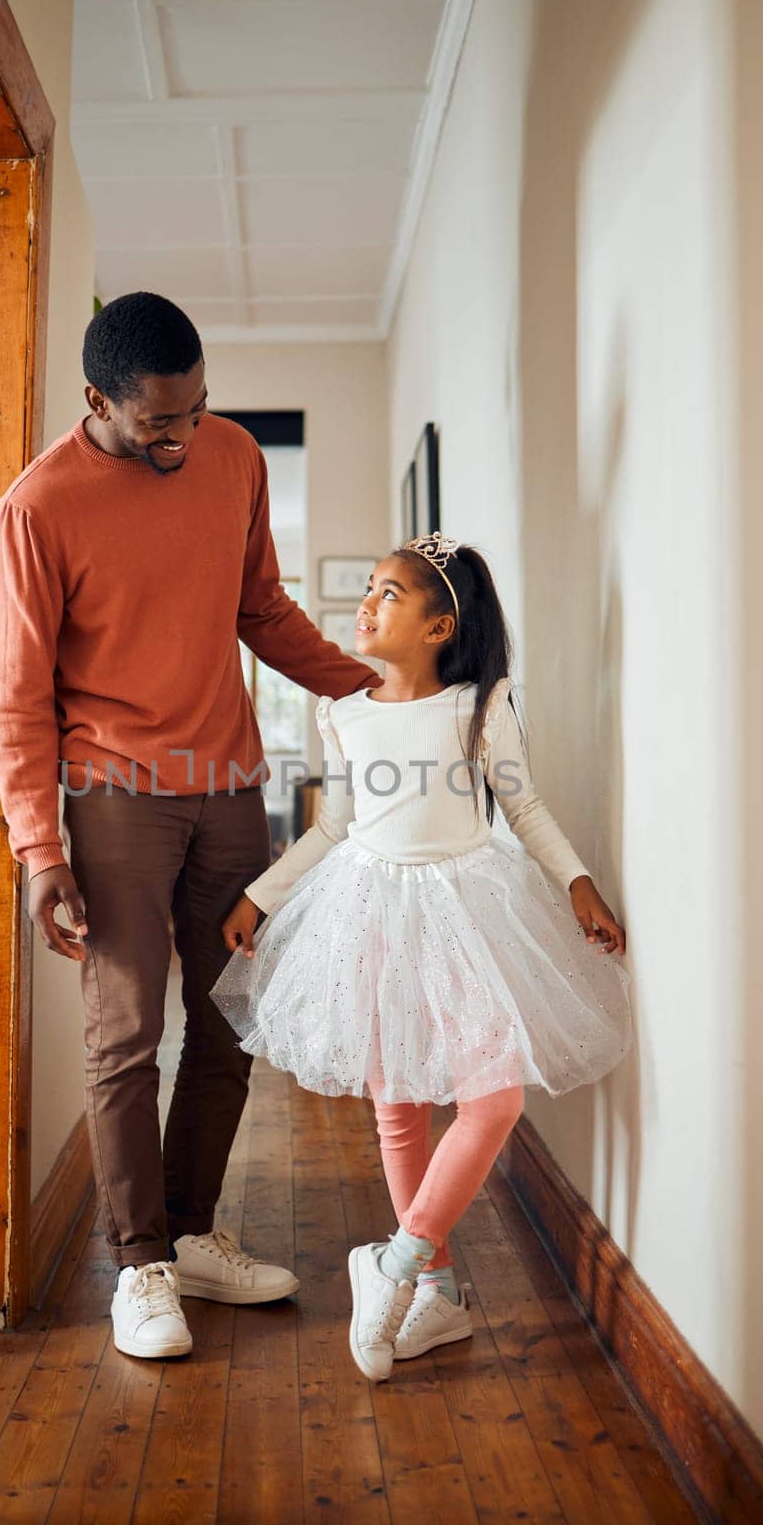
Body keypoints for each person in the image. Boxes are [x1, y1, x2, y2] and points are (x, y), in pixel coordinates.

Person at [0, 293, 379, 1360]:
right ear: (98, 403)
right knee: (125, 1034)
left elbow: (261, 606)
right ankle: (140, 1265)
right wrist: (38, 847)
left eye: (198, 410)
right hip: (113, 792)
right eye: (161, 422)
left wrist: (368, 689)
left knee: (230, 1018)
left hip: (230, 785)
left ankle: (194, 1231)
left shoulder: (232, 455)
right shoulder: (37, 509)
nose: (184, 435)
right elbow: (16, 698)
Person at [211, 532, 633, 1381]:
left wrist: (578, 880)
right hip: (369, 912)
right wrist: (264, 893)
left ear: (440, 627)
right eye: (367, 587)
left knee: (493, 1099)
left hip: (467, 910)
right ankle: (435, 1295)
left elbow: (525, 806)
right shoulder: (344, 710)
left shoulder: (481, 704)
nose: (365, 604)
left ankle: (396, 1264)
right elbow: (335, 825)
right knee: (396, 1102)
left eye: (389, 594)